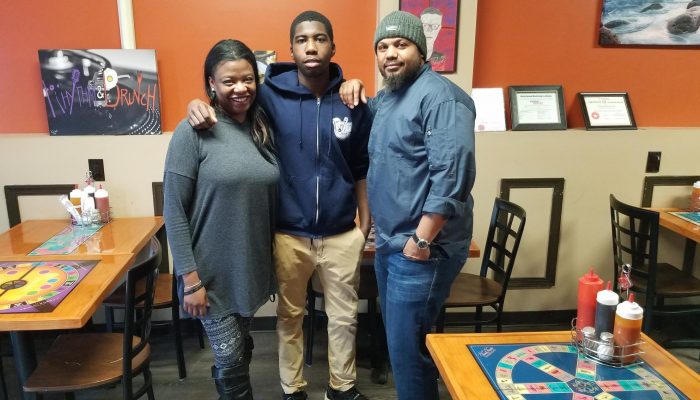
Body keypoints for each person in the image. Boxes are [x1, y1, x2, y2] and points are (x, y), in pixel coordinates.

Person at [186, 11, 372, 400]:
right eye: (302, 39)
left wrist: (364, 220)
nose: (311, 46)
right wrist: (195, 104)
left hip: (340, 232)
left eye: (319, 39)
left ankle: (342, 388)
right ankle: (293, 389)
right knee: (290, 318)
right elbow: (230, 105)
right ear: (292, 48)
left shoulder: (351, 100)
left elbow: (360, 165)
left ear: (332, 47)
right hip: (290, 233)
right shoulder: (268, 95)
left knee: (343, 318)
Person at [342, 10, 476, 399]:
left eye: (401, 45)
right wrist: (350, 84)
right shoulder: (388, 98)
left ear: (422, 49)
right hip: (392, 243)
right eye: (383, 47)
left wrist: (421, 240)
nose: (390, 54)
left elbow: (452, 175)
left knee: (406, 353)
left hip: (421, 249)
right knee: (405, 345)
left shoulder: (442, 98)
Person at [163, 39, 278, 400]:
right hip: (210, 275)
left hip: (250, 267)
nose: (240, 88)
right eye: (228, 81)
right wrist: (191, 281)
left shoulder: (262, 127)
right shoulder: (193, 132)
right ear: (211, 83)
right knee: (230, 359)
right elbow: (174, 210)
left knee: (240, 347)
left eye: (247, 79)